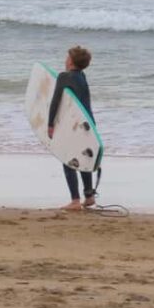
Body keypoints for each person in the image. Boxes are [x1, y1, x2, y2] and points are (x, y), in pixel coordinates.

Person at [48, 46, 96, 211]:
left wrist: (50, 124)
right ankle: (89, 196)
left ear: (70, 61)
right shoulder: (82, 76)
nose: (65, 59)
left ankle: (75, 200)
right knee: (83, 159)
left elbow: (55, 102)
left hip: (73, 126)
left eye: (67, 57)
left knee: (68, 159)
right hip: (88, 123)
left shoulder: (64, 77)